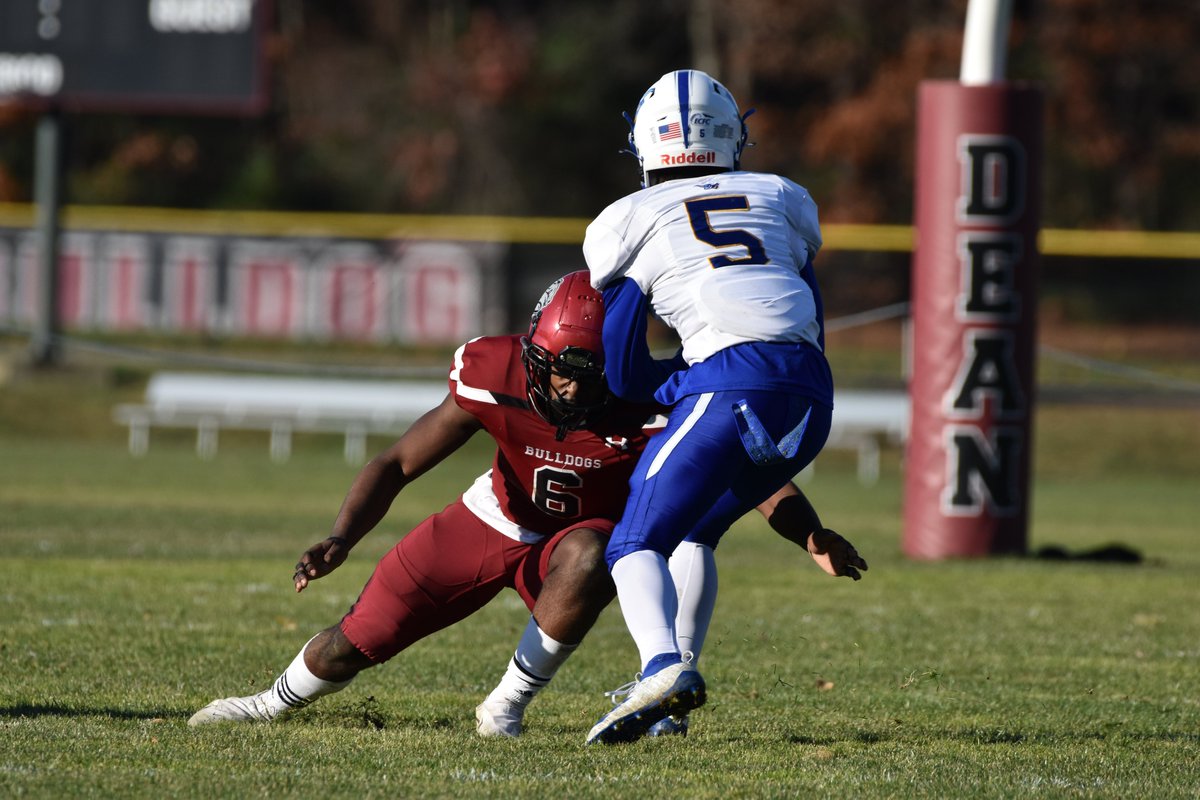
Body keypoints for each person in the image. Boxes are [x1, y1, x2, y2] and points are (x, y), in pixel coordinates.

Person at [188, 271, 864, 738]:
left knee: (598, 550)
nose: (567, 392)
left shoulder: (656, 399)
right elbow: (396, 460)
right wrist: (341, 535)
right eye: (557, 371)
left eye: (584, 377)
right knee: (351, 645)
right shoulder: (493, 371)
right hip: (492, 519)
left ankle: (505, 706)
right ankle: (268, 703)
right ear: (532, 348)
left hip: (574, 545)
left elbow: (759, 477)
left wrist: (811, 534)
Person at [582, 69, 841, 745]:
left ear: (642, 144)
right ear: (735, 138)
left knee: (633, 541)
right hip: (812, 391)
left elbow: (620, 357)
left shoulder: (629, 218)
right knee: (694, 531)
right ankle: (670, 705)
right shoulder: (781, 196)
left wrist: (660, 387)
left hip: (732, 379)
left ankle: (661, 669)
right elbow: (806, 307)